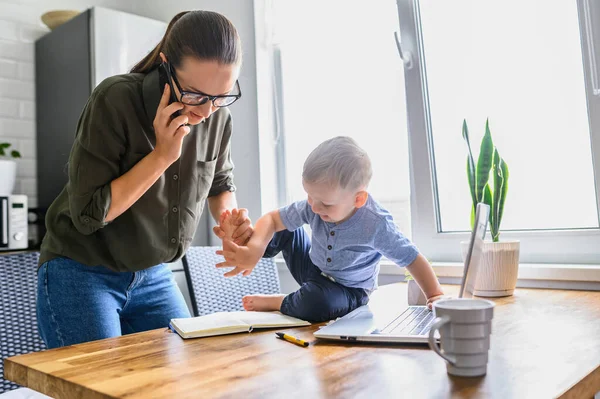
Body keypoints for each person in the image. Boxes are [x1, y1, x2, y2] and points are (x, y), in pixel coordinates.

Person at [36, 10, 252, 349]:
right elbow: (90, 214)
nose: (207, 111)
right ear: (166, 65)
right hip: (82, 270)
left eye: (221, 96)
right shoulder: (116, 99)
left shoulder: (217, 118)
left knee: (183, 379)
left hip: (152, 274)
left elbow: (220, 182)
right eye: (195, 95)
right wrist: (162, 156)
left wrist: (229, 220)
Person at [214, 136, 444, 322]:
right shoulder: (315, 204)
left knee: (317, 304)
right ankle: (247, 251)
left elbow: (411, 258)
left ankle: (281, 301)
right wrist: (254, 247)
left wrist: (435, 295)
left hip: (347, 291)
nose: (314, 206)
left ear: (358, 199)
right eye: (309, 197)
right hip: (313, 269)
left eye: (326, 203)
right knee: (284, 227)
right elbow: (272, 219)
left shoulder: (375, 224)